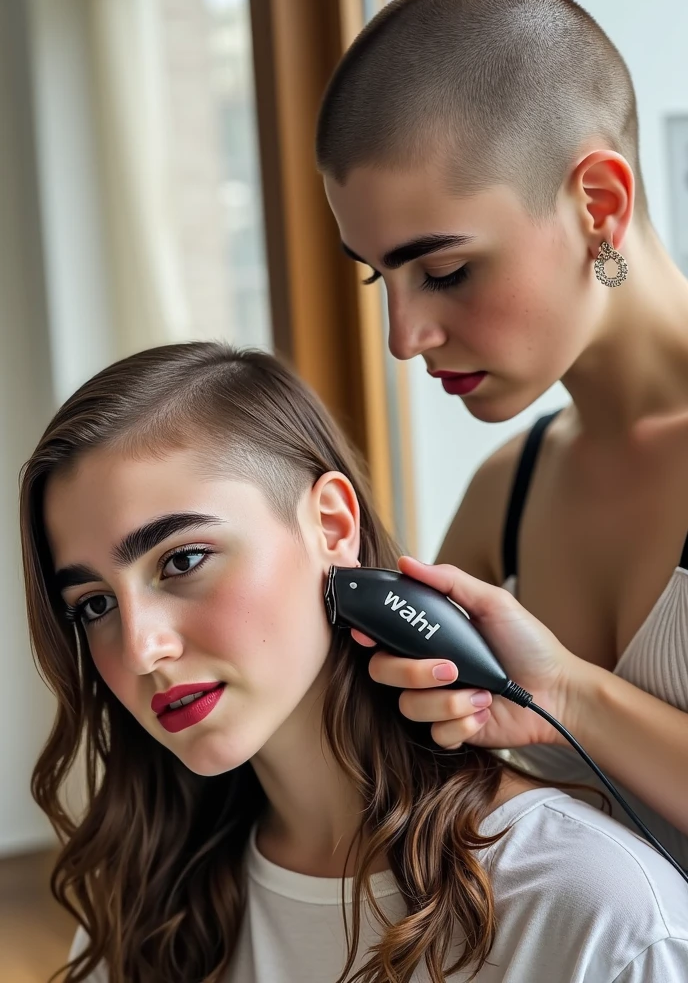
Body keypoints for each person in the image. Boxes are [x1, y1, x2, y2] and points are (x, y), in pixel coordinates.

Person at [21, 342, 688, 982]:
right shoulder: (142, 903)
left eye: (182, 561)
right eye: (94, 605)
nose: (141, 649)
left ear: (333, 526)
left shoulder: (592, 914)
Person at [317, 0, 688, 865]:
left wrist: (570, 696)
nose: (405, 337)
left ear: (599, 204)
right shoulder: (502, 500)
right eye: (380, 278)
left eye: (443, 272)